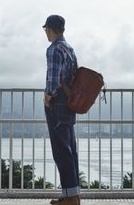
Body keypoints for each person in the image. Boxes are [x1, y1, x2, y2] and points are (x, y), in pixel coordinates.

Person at [42, 15, 80, 205]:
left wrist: (48, 96)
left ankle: (71, 199)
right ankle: (72, 195)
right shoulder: (69, 49)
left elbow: (53, 79)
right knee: (70, 150)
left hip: (57, 105)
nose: (45, 33)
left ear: (50, 29)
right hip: (70, 105)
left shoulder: (54, 49)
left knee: (61, 151)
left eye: (45, 29)